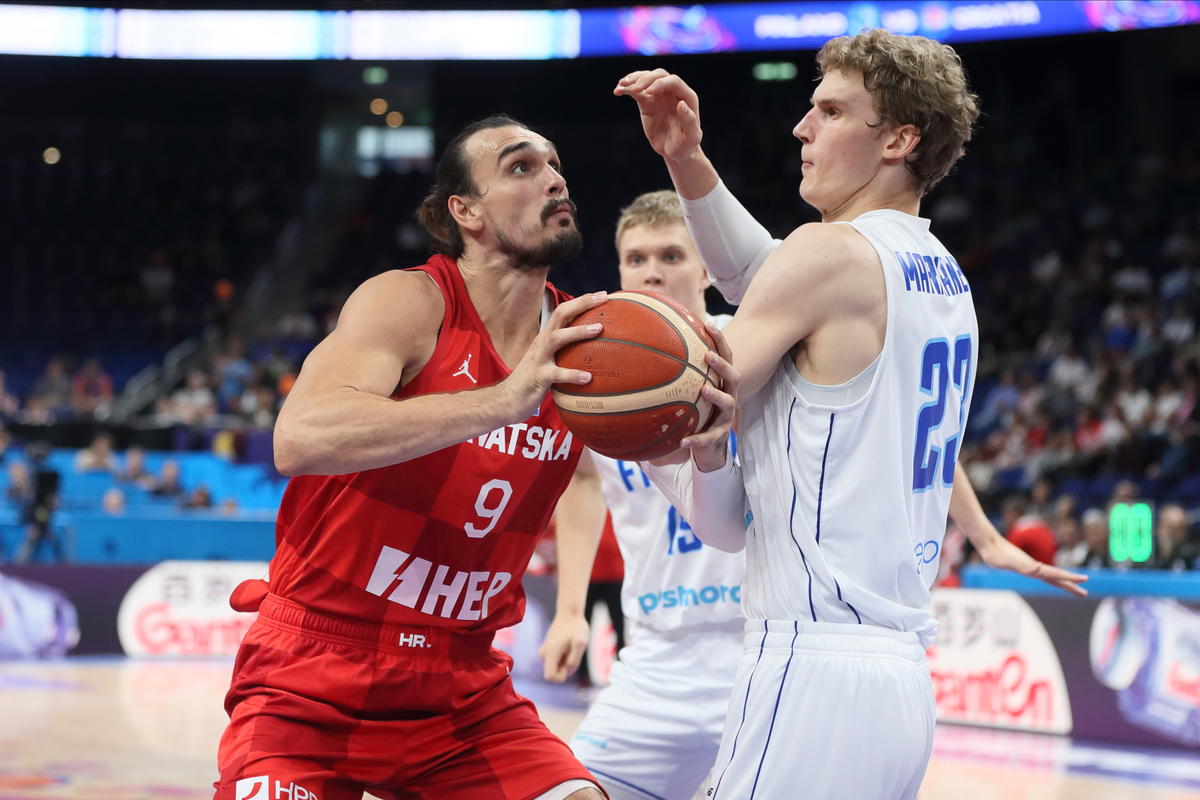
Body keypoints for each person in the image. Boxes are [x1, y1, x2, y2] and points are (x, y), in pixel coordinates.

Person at [616, 29, 1087, 798]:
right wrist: (686, 158)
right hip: (900, 682)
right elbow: (758, 275)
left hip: (809, 664)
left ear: (899, 138)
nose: (802, 128)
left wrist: (596, 377)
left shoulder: (826, 254)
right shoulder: (941, 276)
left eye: (831, 111)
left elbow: (689, 390)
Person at [214, 114, 609, 800]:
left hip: (460, 691)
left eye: (554, 165)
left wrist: (571, 605)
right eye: (520, 167)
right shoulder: (411, 301)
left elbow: (581, 476)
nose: (553, 178)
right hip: (312, 674)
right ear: (466, 213)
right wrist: (501, 401)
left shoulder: (587, 341)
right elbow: (300, 437)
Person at [539, 191, 745, 800]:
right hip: (657, 652)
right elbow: (581, 482)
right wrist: (571, 609)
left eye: (671, 255)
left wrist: (983, 535)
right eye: (635, 258)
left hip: (759, 645)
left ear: (706, 268)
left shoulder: (753, 348)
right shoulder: (600, 373)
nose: (651, 271)